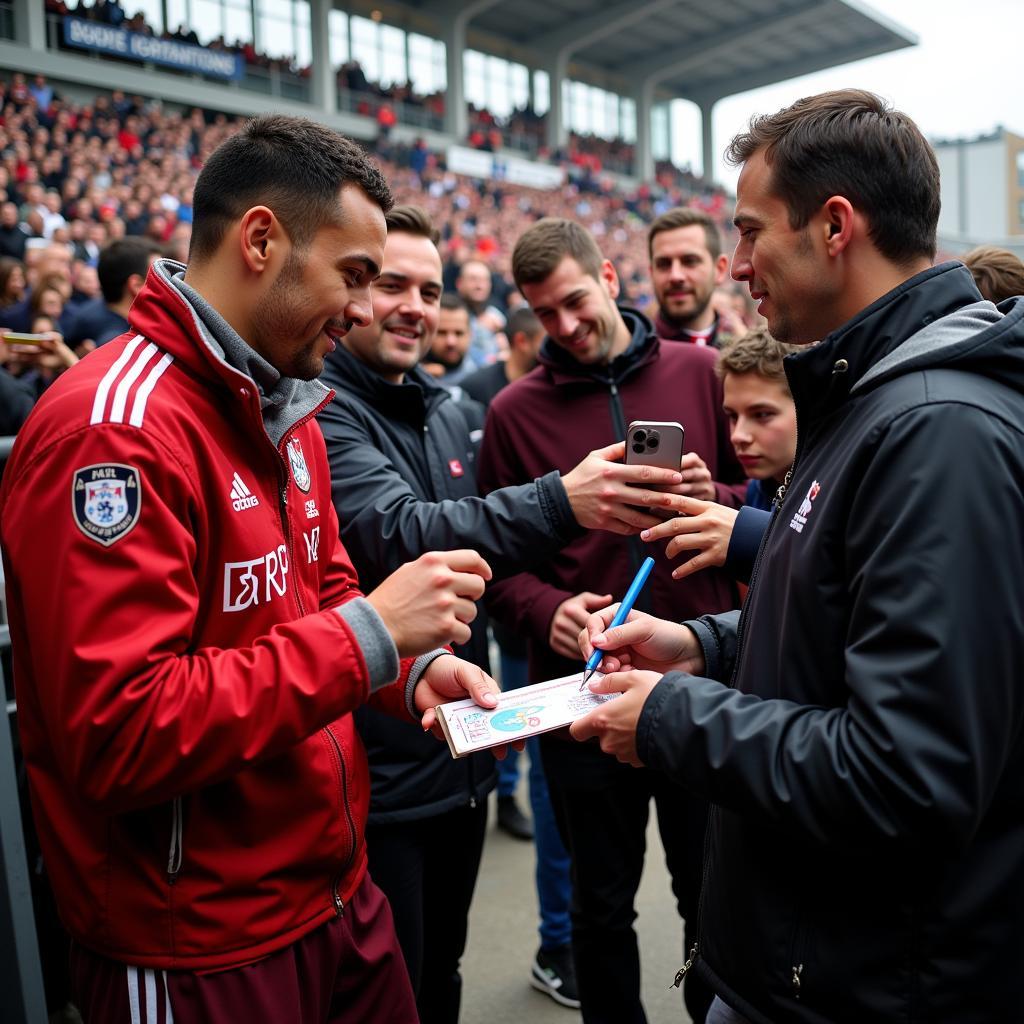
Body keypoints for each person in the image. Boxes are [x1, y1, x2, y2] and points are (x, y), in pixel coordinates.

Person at [0, 114, 505, 1024]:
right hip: (196, 943)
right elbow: (120, 733)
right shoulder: (112, 432)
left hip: (336, 897)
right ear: (262, 240)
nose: (362, 309)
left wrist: (412, 671)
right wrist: (374, 638)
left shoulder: (289, 399)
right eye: (353, 276)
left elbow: (323, 592)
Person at [572, 89, 1024, 1023]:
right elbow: (846, 624)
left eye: (747, 233)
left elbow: (907, 774)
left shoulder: (936, 428)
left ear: (834, 227)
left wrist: (670, 718)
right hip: (811, 965)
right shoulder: (868, 394)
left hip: (866, 986)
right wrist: (708, 649)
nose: (735, 266)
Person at [317, 204, 688, 1020]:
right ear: (350, 293)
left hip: (466, 747)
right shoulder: (325, 414)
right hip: (386, 759)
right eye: (390, 284)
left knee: (440, 974)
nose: (416, 305)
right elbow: (404, 537)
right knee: (398, 991)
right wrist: (563, 521)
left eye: (430, 288)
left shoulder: (448, 410)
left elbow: (488, 566)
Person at [477, 217, 748, 1024]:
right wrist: (546, 609)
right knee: (601, 908)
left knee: (712, 901)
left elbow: (773, 500)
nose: (562, 327)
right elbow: (494, 564)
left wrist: (716, 500)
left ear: (606, 275)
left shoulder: (704, 370)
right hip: (583, 701)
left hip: (700, 681)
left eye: (572, 302)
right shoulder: (514, 411)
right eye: (542, 314)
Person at [648, 208, 735, 348]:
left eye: (690, 261)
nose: (675, 276)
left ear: (719, 269)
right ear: (651, 273)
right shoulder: (632, 354)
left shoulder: (748, 357)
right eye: (663, 264)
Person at [64, 237, 162, 350]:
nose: (168, 282)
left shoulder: (88, 313)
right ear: (136, 285)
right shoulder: (119, 342)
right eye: (160, 276)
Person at [419, 292, 475, 387]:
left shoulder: (482, 378)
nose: (451, 342)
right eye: (441, 333)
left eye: (459, 333)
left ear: (470, 335)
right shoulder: (405, 376)